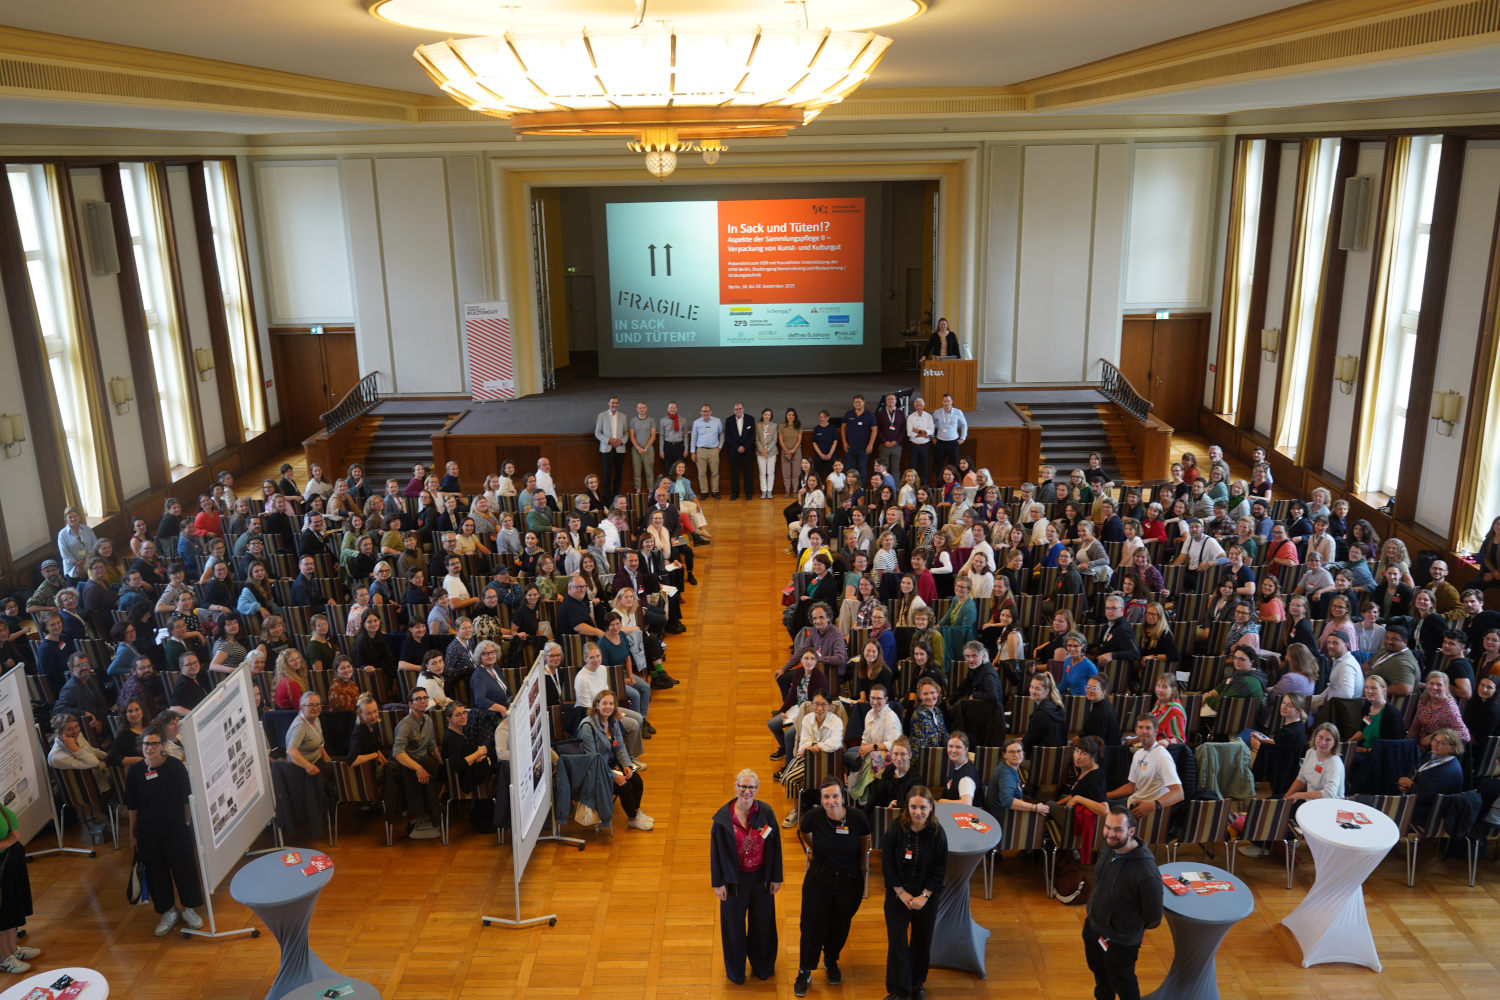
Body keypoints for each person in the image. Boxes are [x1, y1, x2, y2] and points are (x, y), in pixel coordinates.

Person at [792, 778, 871, 997]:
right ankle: (805, 969)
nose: (831, 801)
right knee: (811, 926)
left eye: (835, 796)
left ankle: (831, 959)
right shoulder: (813, 817)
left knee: (840, 923)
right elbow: (804, 832)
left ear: (843, 797)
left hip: (849, 881)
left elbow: (864, 840)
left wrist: (862, 868)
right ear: (821, 799)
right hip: (819, 880)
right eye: (826, 797)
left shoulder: (857, 818)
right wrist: (817, 848)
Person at [127, 723, 205, 936]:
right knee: (156, 872)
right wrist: (132, 834)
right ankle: (169, 911)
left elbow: (186, 800)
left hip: (175, 827)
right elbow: (132, 806)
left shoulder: (175, 767)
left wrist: (186, 824)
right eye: (146, 744)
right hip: (147, 831)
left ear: (162, 745)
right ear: (141, 745)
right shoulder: (134, 772)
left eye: (154, 743)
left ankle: (189, 908)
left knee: (184, 868)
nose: (149, 748)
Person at [1083, 807, 1164, 1000]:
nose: (1111, 834)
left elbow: (1154, 917)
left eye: (1118, 829)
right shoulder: (1108, 846)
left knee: (1124, 985)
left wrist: (1125, 926)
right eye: (1108, 827)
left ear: (1131, 832)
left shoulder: (1146, 871)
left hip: (1120, 941)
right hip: (1094, 927)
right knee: (1101, 978)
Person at [712, 769, 783, 984]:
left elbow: (775, 844)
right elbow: (715, 853)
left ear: (757, 789)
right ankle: (735, 971)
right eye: (742, 786)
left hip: (761, 879)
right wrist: (718, 883)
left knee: (762, 924)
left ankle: (762, 966)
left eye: (751, 787)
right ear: (735, 787)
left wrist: (776, 877)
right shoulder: (723, 819)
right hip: (734, 881)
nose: (746, 791)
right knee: (733, 927)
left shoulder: (766, 813)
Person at [882, 785, 947, 1000]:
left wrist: (924, 896)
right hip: (897, 894)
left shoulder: (938, 833)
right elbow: (888, 862)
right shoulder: (895, 828)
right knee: (898, 943)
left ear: (931, 808)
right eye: (913, 807)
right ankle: (899, 990)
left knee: (921, 941)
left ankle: (916, 982)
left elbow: (940, 868)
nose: (918, 812)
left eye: (922, 807)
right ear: (907, 808)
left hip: (926, 897)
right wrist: (901, 893)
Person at [580, 689, 653, 831]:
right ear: (596, 705)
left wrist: (626, 765)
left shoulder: (613, 721)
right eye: (604, 703)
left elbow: (619, 747)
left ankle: (636, 812)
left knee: (637, 781)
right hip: (595, 771)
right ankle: (632, 819)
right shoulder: (587, 727)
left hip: (610, 763)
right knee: (625, 788)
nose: (608, 707)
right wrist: (613, 777)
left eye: (611, 704)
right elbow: (593, 760)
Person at [392, 687, 445, 840]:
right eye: (418, 699)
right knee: (427, 777)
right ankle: (433, 819)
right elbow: (397, 752)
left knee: (434, 767)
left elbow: (431, 744)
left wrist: (441, 763)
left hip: (424, 764)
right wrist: (418, 769)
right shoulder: (406, 725)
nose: (423, 701)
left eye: (425, 698)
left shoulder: (427, 719)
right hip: (409, 767)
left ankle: (430, 818)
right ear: (410, 704)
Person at [1107, 716, 1183, 819]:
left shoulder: (1162, 757)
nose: (1143, 731)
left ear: (1156, 731)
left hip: (1142, 809)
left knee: (1093, 808)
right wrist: (1105, 795)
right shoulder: (1138, 753)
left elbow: (1178, 793)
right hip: (1132, 801)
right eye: (1140, 727)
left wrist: (1153, 805)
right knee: (1094, 801)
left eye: (1148, 728)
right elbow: (1131, 788)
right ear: (1136, 730)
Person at [690, 403, 725, 499]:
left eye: (707, 411)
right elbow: (693, 437)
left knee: (715, 472)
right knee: (701, 473)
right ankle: (704, 492)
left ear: (711, 412)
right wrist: (693, 452)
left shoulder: (717, 421)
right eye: (704, 411)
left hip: (714, 450)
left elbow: (722, 434)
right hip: (700, 451)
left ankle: (715, 491)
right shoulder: (696, 422)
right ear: (701, 412)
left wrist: (720, 447)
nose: (706, 413)